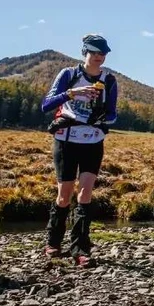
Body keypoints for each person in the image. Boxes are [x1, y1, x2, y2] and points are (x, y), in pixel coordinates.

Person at [41, 34, 119, 267]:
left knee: (85, 194)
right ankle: (53, 241)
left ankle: (80, 249)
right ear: (84, 52)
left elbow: (113, 113)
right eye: (94, 52)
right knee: (64, 195)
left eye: (102, 53)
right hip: (66, 140)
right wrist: (73, 94)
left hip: (93, 140)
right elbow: (46, 105)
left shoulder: (109, 80)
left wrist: (103, 117)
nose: (98, 57)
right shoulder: (68, 75)